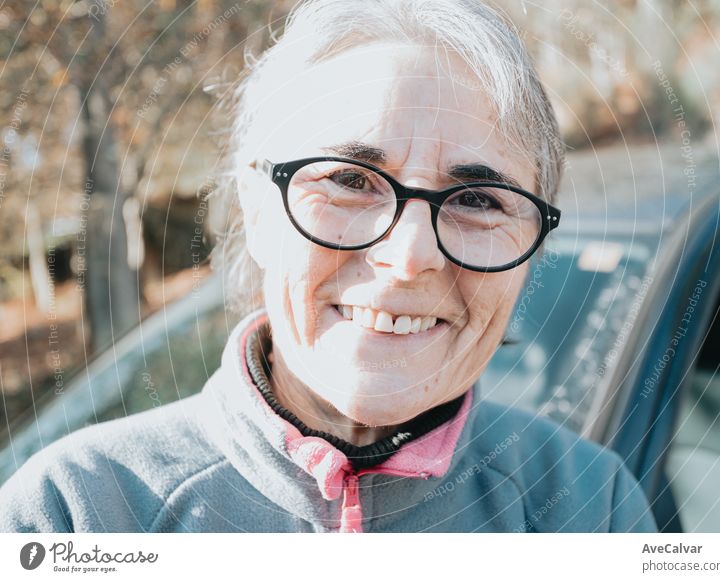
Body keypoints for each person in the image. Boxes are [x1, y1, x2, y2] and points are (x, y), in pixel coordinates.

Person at [0, 0, 656, 533]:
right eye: (349, 179)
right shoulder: (77, 514)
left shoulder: (587, 506)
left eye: (479, 200)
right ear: (256, 209)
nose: (407, 258)